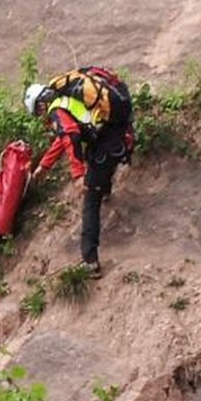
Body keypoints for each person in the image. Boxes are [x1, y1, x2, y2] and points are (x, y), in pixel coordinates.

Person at [26, 66, 135, 273]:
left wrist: (78, 176)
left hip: (108, 142)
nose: (41, 117)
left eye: (37, 112)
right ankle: (105, 191)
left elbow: (71, 136)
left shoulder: (56, 109)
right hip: (120, 132)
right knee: (95, 160)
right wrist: (44, 166)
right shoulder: (66, 99)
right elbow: (64, 138)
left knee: (90, 199)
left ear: (40, 106)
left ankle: (90, 261)